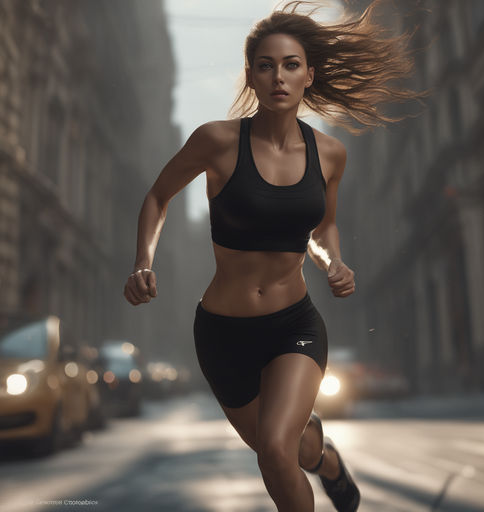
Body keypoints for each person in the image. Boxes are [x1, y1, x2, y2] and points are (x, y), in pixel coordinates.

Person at [123, 1, 424, 510]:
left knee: (275, 454)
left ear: (310, 74)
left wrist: (334, 264)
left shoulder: (330, 154)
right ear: (251, 74)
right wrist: (142, 263)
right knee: (289, 449)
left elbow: (323, 225)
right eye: (265, 65)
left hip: (294, 325)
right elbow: (158, 196)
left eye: (290, 65)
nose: (278, 76)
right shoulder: (216, 141)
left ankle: (313, 451)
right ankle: (326, 457)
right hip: (222, 333)